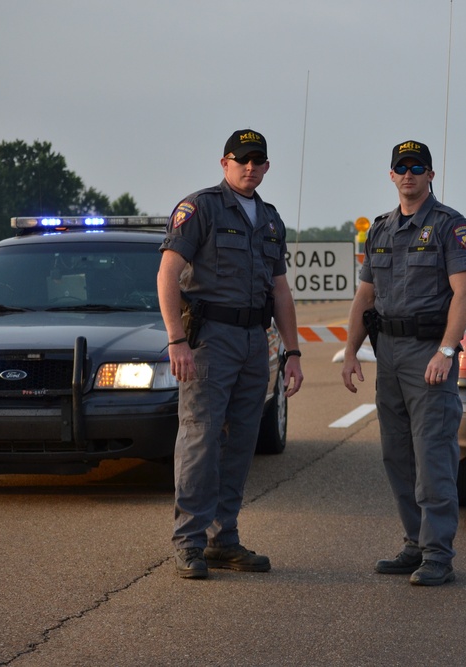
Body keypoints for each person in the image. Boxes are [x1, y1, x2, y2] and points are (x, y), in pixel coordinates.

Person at [158, 128, 304, 580]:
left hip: (253, 341)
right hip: (209, 340)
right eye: (241, 160)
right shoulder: (200, 208)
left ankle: (225, 539)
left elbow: (280, 289)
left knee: (241, 440)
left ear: (266, 166)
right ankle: (189, 542)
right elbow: (167, 275)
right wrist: (176, 340)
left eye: (257, 161)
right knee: (200, 438)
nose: (250, 168)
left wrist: (293, 352)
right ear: (225, 163)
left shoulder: (271, 219)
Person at [341, 140, 466, 586]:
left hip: (428, 354)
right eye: (401, 167)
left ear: (431, 176)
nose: (408, 175)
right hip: (389, 353)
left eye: (417, 167)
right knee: (396, 453)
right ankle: (414, 542)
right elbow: (366, 296)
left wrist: (447, 350)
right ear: (391, 175)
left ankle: (438, 553)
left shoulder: (450, 227)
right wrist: (350, 351)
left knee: (433, 453)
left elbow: (464, 292)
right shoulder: (379, 230)